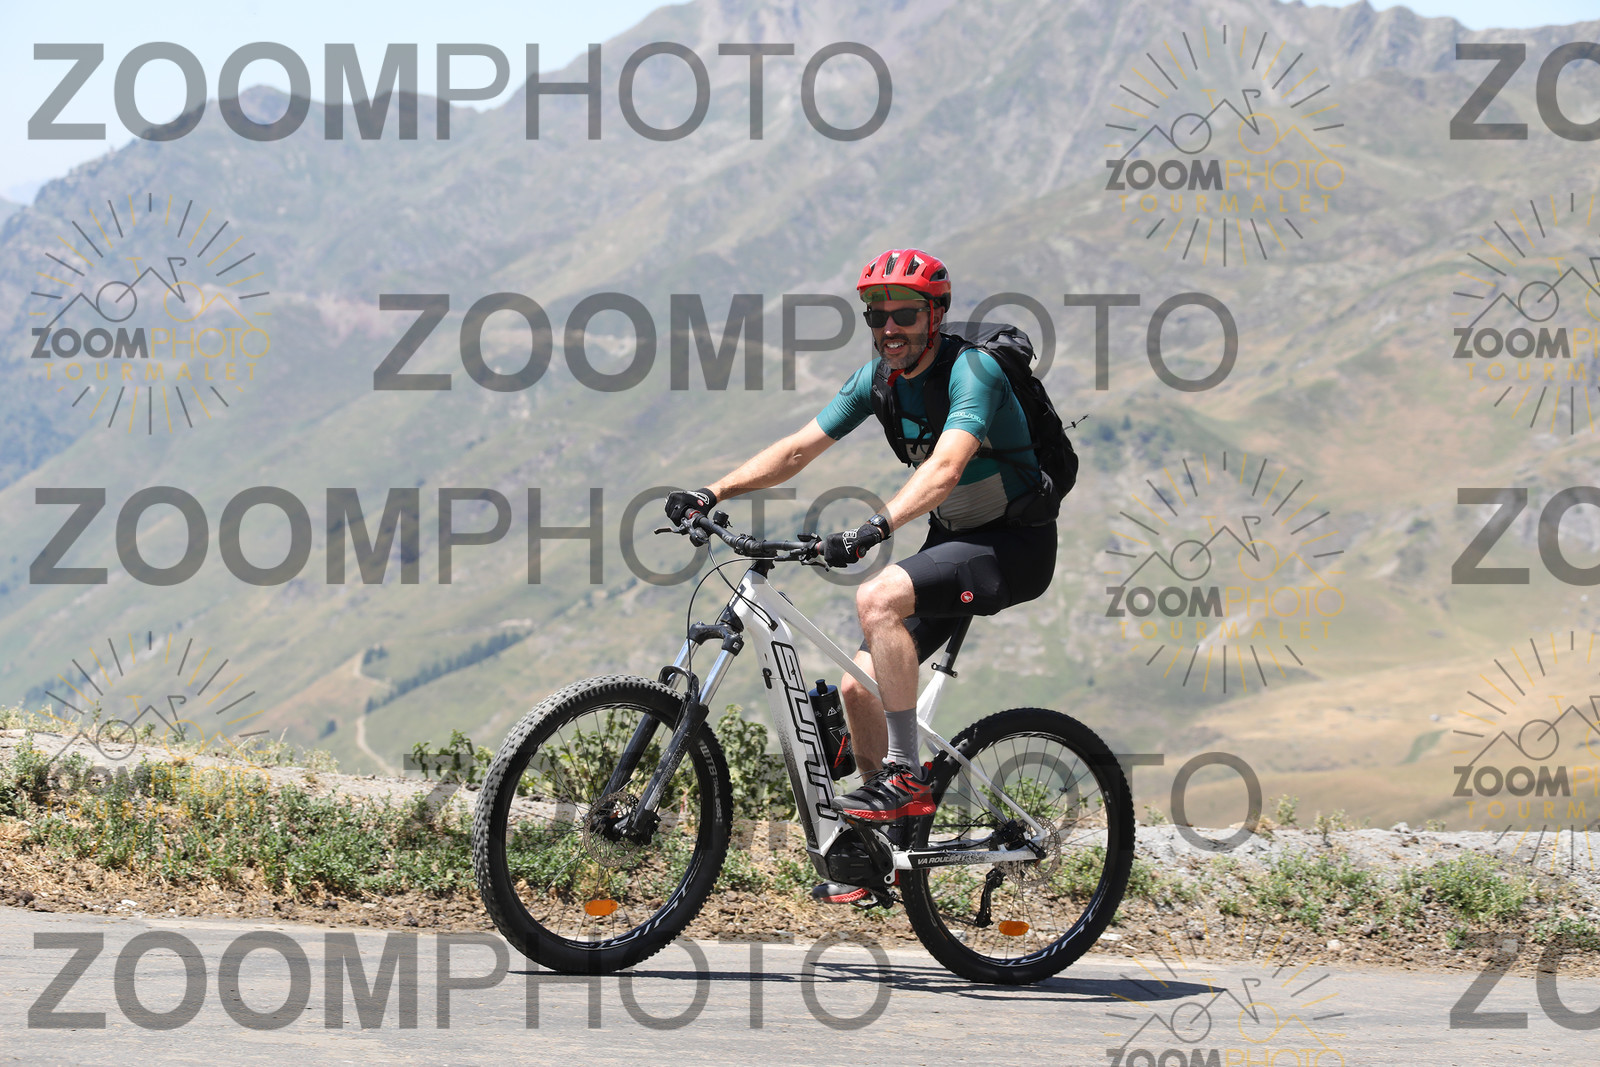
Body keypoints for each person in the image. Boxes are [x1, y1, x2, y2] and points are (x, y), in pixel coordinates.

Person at [664, 248, 1058, 903]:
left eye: (905, 314)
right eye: (877, 316)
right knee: (856, 688)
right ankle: (883, 856)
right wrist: (714, 490)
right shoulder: (880, 380)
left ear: (936, 316)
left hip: (1011, 546)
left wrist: (877, 527)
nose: (889, 328)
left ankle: (905, 774)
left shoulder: (974, 371)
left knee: (877, 597)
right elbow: (798, 449)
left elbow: (946, 469)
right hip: (954, 542)